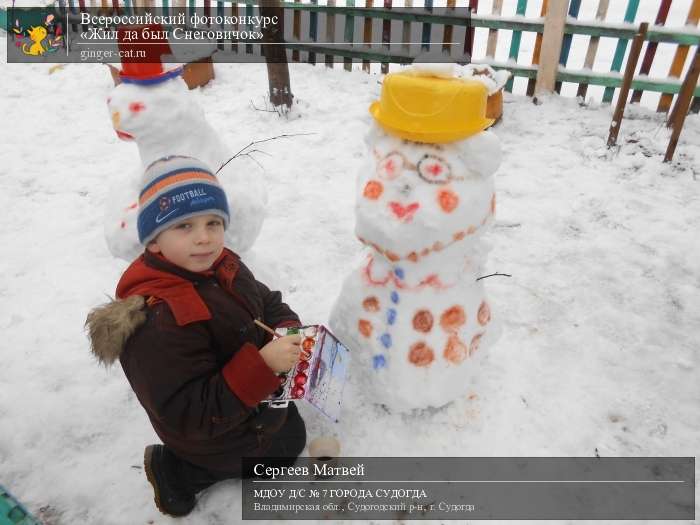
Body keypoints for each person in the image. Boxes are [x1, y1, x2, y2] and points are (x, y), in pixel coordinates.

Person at [86, 155, 306, 517]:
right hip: (209, 432)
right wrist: (263, 365)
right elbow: (190, 414)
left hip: (245, 398)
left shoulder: (221, 264)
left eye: (213, 222)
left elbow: (264, 301)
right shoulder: (161, 322)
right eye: (184, 226)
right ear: (154, 242)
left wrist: (285, 330)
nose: (204, 237)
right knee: (283, 451)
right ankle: (180, 471)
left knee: (289, 428)